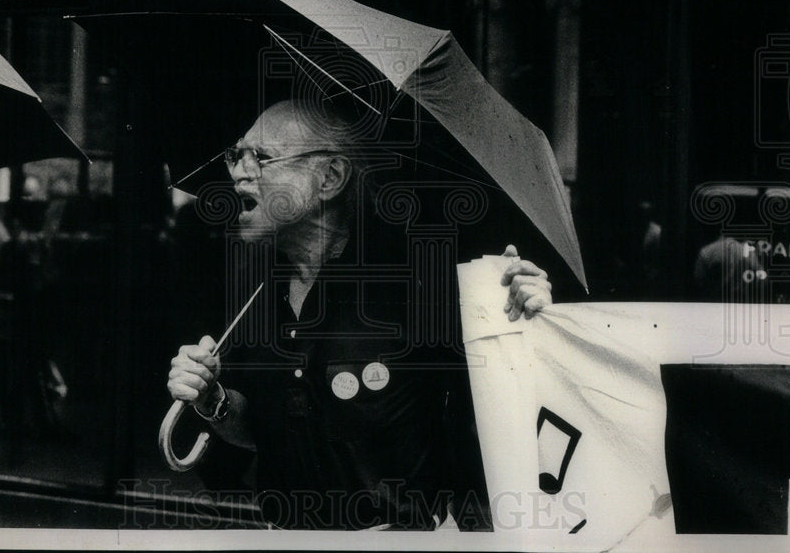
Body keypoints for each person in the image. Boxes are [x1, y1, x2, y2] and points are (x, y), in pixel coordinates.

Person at [166, 100, 553, 530]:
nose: (239, 170)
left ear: (331, 178)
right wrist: (211, 399)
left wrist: (528, 314)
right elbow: (260, 429)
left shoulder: (417, 288)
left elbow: (512, 403)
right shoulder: (252, 291)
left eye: (262, 157)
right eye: (236, 155)